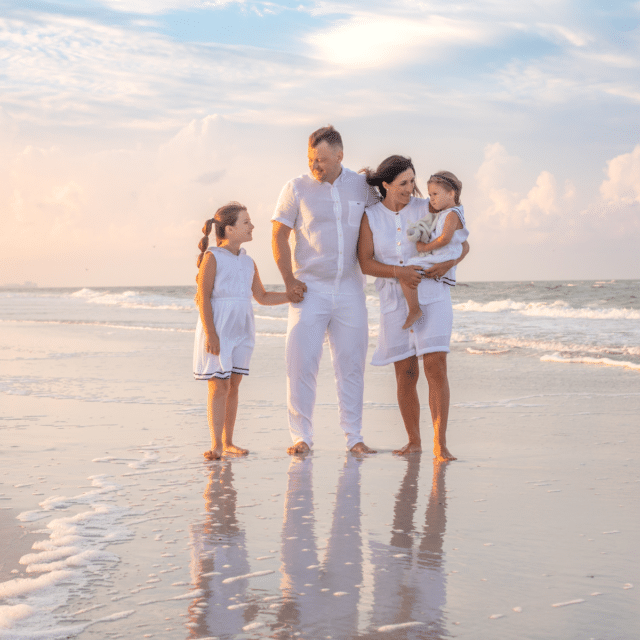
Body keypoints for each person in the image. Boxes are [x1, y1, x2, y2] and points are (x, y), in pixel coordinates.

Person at [272, 125, 379, 455]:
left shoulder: (362, 187)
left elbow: (388, 217)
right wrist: (289, 281)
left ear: (339, 156)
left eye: (320, 160)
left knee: (351, 366)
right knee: (301, 364)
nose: (313, 166)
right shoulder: (296, 188)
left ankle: (354, 438)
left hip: (350, 290)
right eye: (310, 159)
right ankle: (300, 437)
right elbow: (277, 236)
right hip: (310, 290)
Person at [357, 156, 469, 461]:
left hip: (433, 294)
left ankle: (439, 443)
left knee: (435, 367)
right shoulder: (371, 217)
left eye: (413, 181)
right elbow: (366, 262)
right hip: (394, 302)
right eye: (404, 183)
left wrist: (448, 263)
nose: (411, 188)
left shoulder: (427, 207)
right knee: (405, 373)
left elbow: (461, 241)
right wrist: (398, 273)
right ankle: (414, 440)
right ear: (386, 185)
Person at [194, 202, 290, 460]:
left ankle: (228, 442)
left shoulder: (249, 262)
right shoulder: (213, 257)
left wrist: (291, 296)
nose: (252, 226)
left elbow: (262, 296)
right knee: (219, 386)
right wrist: (211, 334)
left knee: (234, 385)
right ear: (230, 229)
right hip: (218, 328)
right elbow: (202, 297)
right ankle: (215, 444)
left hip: (242, 328)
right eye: (246, 222)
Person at [399, 171, 469, 329]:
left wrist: (425, 247)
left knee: (406, 273)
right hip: (443, 255)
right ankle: (415, 308)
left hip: (444, 255)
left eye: (436, 194)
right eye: (430, 195)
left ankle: (414, 310)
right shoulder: (446, 213)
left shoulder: (452, 214)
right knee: (409, 273)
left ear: (451, 193)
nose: (432, 199)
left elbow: (445, 238)